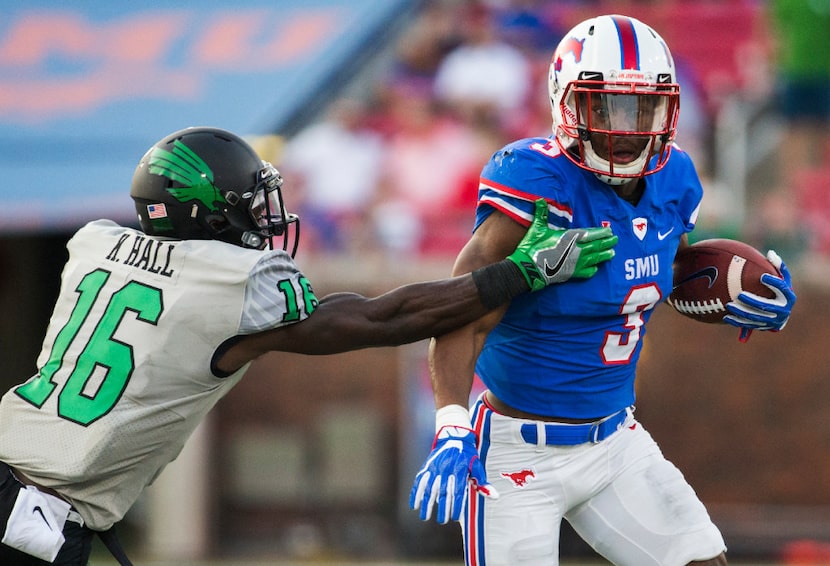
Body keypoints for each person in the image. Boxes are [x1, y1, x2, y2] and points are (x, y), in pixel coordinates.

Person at [0, 126, 619, 565]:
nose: (265, 219)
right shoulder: (232, 286)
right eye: (249, 205)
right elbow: (382, 320)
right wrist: (522, 272)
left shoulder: (94, 245)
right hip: (36, 519)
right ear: (207, 215)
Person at [409, 14, 797, 566]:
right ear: (567, 103)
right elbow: (464, 309)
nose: (627, 126)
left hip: (616, 442)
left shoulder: (675, 179)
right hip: (519, 449)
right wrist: (450, 422)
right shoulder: (535, 182)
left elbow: (659, 269)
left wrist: (737, 293)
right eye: (608, 105)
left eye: (643, 107)